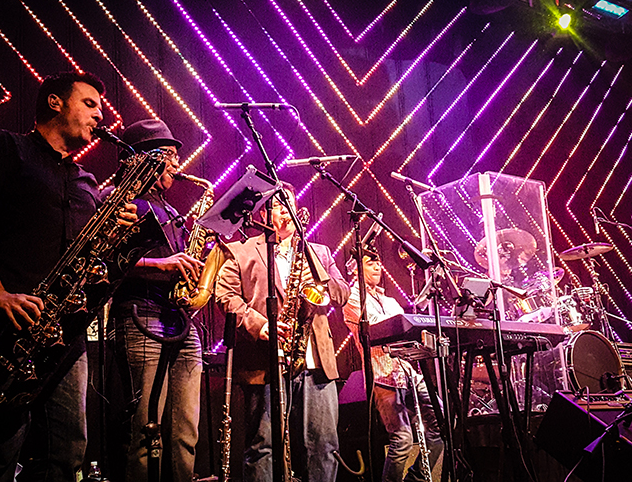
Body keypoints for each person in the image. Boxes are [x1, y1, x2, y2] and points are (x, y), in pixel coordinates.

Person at [0, 71, 137, 482]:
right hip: (5, 329)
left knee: (66, 455)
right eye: (90, 105)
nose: (99, 117)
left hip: (65, 337)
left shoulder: (86, 180)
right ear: (55, 102)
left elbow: (89, 256)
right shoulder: (6, 148)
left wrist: (116, 232)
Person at [215, 183, 349, 481]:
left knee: (324, 446)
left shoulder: (320, 252)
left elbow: (343, 292)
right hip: (266, 361)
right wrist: (260, 325)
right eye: (277, 206)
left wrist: (323, 290)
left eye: (289, 204)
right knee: (263, 446)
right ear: (265, 213)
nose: (285, 212)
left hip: (316, 364)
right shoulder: (241, 251)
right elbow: (225, 296)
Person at [109, 118, 204, 482]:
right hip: (140, 316)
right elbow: (104, 264)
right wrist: (162, 265)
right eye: (168, 155)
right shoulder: (118, 200)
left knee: (185, 431)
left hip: (179, 319)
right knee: (145, 429)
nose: (176, 165)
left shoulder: (170, 208)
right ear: (141, 158)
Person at [343, 249, 443, 482]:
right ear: (357, 268)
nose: (378, 267)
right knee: (403, 438)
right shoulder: (353, 297)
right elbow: (380, 328)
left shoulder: (390, 300)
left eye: (379, 263)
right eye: (371, 263)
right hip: (382, 375)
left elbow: (406, 328)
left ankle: (415, 478)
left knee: (443, 422)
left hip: (407, 372)